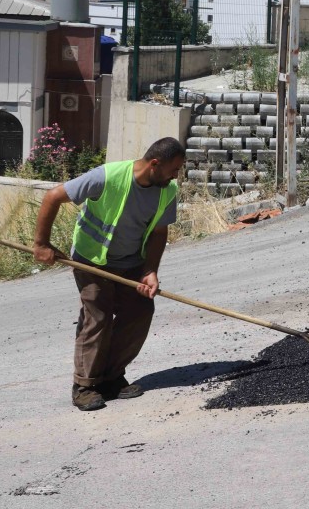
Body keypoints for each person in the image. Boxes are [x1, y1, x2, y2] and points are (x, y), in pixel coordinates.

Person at [32, 137, 187, 412]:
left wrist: (150, 270)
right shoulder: (107, 176)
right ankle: (84, 385)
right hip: (92, 260)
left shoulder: (167, 190)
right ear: (155, 164)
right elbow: (53, 196)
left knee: (140, 311)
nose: (176, 175)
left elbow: (159, 232)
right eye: (173, 169)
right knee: (98, 316)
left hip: (131, 262)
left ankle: (111, 377)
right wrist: (41, 244)